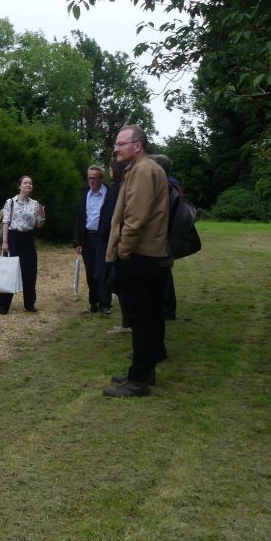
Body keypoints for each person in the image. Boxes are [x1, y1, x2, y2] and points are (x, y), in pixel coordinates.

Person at [104, 125, 170, 397]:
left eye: (121, 144)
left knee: (141, 317)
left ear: (137, 146)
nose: (116, 148)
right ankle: (145, 370)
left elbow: (135, 218)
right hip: (148, 256)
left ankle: (139, 380)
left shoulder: (143, 171)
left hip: (140, 256)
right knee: (150, 316)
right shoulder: (142, 168)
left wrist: (123, 251)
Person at [0, 176, 45, 314]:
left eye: (30, 183)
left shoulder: (35, 204)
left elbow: (39, 225)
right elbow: (6, 222)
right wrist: (5, 242)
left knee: (30, 271)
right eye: (25, 183)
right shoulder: (11, 202)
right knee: (9, 271)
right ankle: (3, 305)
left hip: (28, 238)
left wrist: (42, 217)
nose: (28, 185)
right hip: (13, 237)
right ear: (20, 186)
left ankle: (29, 304)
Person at [73, 165, 112, 316]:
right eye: (89, 178)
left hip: (104, 238)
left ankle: (105, 304)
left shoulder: (109, 194)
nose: (92, 181)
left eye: (95, 178)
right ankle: (93, 303)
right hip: (87, 238)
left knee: (103, 272)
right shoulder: (84, 194)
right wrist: (78, 241)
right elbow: (79, 218)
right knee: (90, 273)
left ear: (101, 178)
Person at [101, 159, 133, 336]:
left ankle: (128, 323)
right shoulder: (123, 187)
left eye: (110, 168)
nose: (109, 171)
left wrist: (105, 238)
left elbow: (111, 218)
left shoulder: (117, 190)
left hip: (117, 243)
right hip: (120, 241)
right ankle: (127, 322)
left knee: (118, 283)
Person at [149, 153, 180, 322]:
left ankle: (167, 310)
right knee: (164, 272)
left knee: (163, 273)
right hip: (168, 234)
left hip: (164, 235)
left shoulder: (168, 185)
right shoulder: (173, 183)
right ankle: (167, 308)